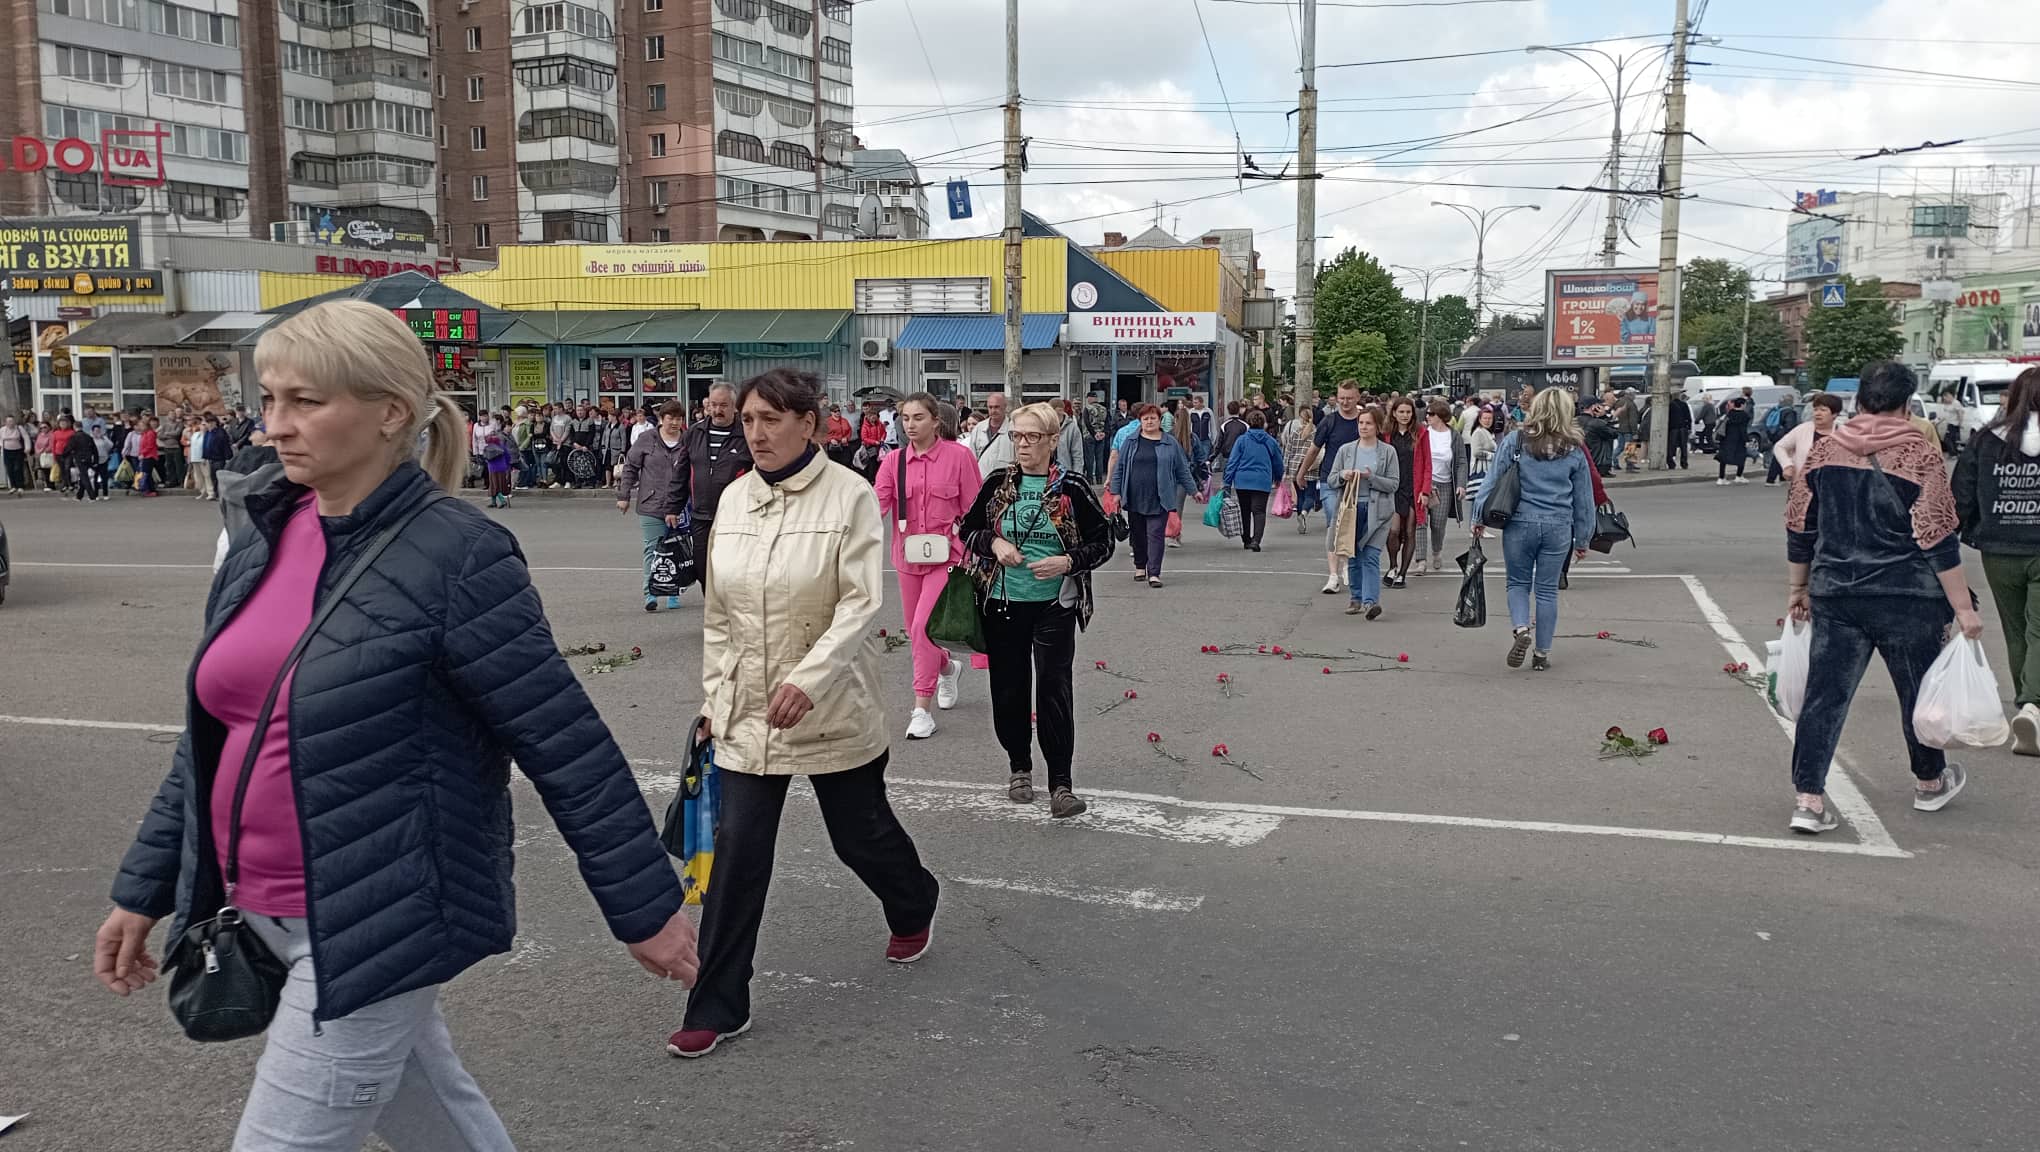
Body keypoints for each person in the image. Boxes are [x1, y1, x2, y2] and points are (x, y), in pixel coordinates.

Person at [95, 299, 700, 1147]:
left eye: (305, 402)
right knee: (440, 1124)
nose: (276, 426)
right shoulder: (261, 530)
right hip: (256, 903)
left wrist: (644, 904)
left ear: (387, 413)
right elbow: (220, 732)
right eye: (270, 400)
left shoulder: (457, 554)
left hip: (381, 910)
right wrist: (144, 888)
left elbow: (563, 740)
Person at [678, 367, 939, 1059]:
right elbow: (720, 616)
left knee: (860, 837)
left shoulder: (848, 496)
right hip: (748, 709)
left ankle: (914, 901)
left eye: (769, 419)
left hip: (828, 704)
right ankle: (717, 1001)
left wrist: (809, 679)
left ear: (808, 424)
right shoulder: (734, 501)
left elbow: (859, 603)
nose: (755, 432)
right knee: (737, 855)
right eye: (749, 420)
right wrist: (714, 699)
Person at [1786, 361, 1980, 833]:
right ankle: (1930, 781)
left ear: (1859, 401)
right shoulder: (1919, 455)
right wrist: (1963, 608)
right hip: (1907, 597)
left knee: (1824, 699)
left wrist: (1798, 588)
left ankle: (1808, 801)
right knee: (1918, 693)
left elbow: (1799, 525)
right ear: (1906, 404)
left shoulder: (1825, 451)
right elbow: (1938, 537)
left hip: (1837, 593)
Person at [961, 401, 1114, 817]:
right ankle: (1019, 768)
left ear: (1052, 440)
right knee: (1009, 689)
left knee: (1054, 690)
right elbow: (967, 529)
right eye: (1017, 436)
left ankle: (1061, 785)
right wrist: (994, 544)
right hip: (1003, 602)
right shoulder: (998, 483)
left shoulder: (1072, 488)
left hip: (1054, 605)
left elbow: (1104, 542)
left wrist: (1068, 562)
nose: (1023, 445)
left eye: (1032, 437)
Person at [873, 392, 980, 740]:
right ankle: (948, 667)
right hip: (907, 558)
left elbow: (974, 510)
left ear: (936, 420)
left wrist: (970, 548)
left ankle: (921, 709)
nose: (910, 425)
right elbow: (877, 504)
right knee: (920, 631)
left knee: (921, 628)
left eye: (918, 417)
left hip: (947, 558)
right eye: (905, 418)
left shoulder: (959, 457)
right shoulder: (893, 462)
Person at [1472, 387, 1596, 672]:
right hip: (1558, 526)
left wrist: (1478, 517)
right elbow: (1583, 500)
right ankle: (1541, 653)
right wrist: (1583, 538)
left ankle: (1520, 629)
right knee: (1547, 591)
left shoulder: (1516, 441)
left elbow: (1492, 481)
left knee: (1517, 583)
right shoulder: (1574, 449)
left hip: (1519, 522)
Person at [1954, 366, 2040, 756]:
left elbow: (1964, 490)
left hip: (1999, 547)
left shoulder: (1987, 439)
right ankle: (2034, 705)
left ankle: (2028, 701)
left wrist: (1973, 530)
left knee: (2015, 627)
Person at [674, 383, 752, 594]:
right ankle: (715, 609)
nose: (718, 410)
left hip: (736, 518)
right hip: (701, 516)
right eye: (714, 405)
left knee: (733, 568)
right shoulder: (694, 433)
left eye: (724, 405)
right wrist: (672, 508)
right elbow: (681, 473)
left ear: (734, 406)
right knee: (702, 567)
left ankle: (729, 612)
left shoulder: (747, 435)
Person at [1107, 403, 1195, 588]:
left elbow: (1182, 469)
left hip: (1160, 496)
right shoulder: (1131, 441)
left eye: (1152, 418)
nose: (1149, 422)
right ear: (1140, 421)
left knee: (1155, 534)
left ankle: (1154, 573)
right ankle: (1140, 566)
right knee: (1138, 534)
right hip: (1135, 495)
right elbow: (1120, 468)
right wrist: (1115, 492)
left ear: (1159, 420)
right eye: (1145, 419)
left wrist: (1194, 490)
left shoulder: (1170, 443)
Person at [1325, 405, 1398, 619]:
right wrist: (1343, 475)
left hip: (1379, 512)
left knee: (1371, 556)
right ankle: (1356, 598)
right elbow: (1331, 479)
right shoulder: (1346, 450)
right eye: (1361, 423)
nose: (1363, 427)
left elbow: (1393, 484)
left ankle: (1370, 602)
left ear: (1377, 426)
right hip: (1351, 508)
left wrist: (1370, 477)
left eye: (1368, 423)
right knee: (1353, 554)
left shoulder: (1387, 452)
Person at [618, 400, 690, 611]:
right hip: (651, 503)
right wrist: (624, 495)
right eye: (671, 418)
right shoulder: (646, 439)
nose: (675, 422)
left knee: (678, 549)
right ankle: (650, 592)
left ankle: (674, 592)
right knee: (654, 548)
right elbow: (630, 466)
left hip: (680, 505)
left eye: (679, 418)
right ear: (661, 419)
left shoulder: (688, 439)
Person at [1303, 382, 1365, 594]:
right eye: (1342, 398)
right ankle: (1333, 575)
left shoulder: (1363, 422)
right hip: (1331, 481)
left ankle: (1348, 565)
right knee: (1334, 524)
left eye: (1349, 398)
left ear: (1357, 398)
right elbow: (1314, 450)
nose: (1345, 402)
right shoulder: (1329, 422)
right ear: (1336, 398)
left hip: (1358, 483)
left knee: (1352, 526)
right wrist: (1301, 473)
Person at [1413, 400, 1468, 574]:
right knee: (1420, 522)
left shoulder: (1454, 435)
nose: (1427, 416)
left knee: (1438, 524)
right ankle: (1421, 560)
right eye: (1427, 414)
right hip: (1425, 483)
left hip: (1444, 485)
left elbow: (1461, 461)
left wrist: (1461, 484)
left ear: (1441, 417)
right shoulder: (1423, 432)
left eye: (1431, 414)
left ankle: (1437, 551)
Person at [1222, 409, 1285, 552]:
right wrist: (1278, 477)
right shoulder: (1270, 441)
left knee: (1245, 510)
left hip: (1242, 480)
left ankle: (1246, 539)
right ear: (1264, 424)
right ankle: (1256, 540)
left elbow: (1233, 462)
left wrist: (1227, 481)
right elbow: (1278, 462)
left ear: (1248, 423)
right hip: (1262, 480)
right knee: (1259, 511)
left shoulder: (1242, 440)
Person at [1381, 397, 1421, 586]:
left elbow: (1427, 462)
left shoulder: (1421, 433)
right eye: (1401, 412)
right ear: (1394, 413)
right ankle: (1393, 566)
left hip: (1414, 487)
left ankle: (1403, 573)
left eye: (1408, 412)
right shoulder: (1387, 433)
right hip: (1394, 487)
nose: (1405, 415)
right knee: (1394, 530)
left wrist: (1426, 490)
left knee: (1410, 530)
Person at [1771, 393, 1840, 483]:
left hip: (1833, 486)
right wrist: (1787, 465)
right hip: (1803, 485)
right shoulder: (1802, 429)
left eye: (1823, 410)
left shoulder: (1843, 433)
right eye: (1815, 410)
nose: (1818, 413)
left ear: (1834, 414)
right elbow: (1779, 446)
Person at [1281, 402, 1319, 533]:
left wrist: (1285, 470)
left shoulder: (1295, 432)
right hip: (1311, 467)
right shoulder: (1316, 432)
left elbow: (1288, 451)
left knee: (1300, 495)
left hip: (1295, 466)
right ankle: (1304, 513)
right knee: (1310, 495)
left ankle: (1300, 519)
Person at [966, 392, 1012, 475]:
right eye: (990, 407)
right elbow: (972, 459)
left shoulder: (1013, 429)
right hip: (982, 482)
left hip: (1004, 482)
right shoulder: (979, 428)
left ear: (1005, 407)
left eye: (997, 407)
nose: (993, 410)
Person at [1763, 398, 1803, 484]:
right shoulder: (1790, 412)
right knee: (1779, 457)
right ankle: (1771, 480)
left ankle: (1782, 478)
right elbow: (1790, 426)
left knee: (1781, 455)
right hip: (1784, 436)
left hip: (1774, 435)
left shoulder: (1776, 410)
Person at [1716, 397, 1753, 484]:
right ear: (1742, 405)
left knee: (1724, 458)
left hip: (1726, 438)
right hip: (1738, 440)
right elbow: (1743, 430)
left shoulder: (1729, 414)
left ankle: (1721, 478)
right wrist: (1747, 440)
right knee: (1741, 457)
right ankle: (1738, 476)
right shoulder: (1744, 416)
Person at [481, 415, 513, 508]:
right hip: (502, 468)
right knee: (499, 484)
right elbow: (507, 456)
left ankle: (501, 501)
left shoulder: (487, 448)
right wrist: (508, 465)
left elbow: (485, 458)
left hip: (492, 468)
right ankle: (494, 502)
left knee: (493, 485)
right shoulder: (501, 446)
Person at [1078, 392, 1110, 481]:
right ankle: (1099, 478)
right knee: (1099, 458)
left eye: (1088, 398)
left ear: (1090, 398)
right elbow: (1108, 423)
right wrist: (1103, 433)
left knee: (1089, 458)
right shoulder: (1104, 409)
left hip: (1089, 436)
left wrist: (1094, 434)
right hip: (1101, 436)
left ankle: (1090, 478)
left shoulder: (1087, 408)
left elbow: (1086, 423)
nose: (1087, 400)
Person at [2, 413, 29, 490]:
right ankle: (13, 486)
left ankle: (20, 485)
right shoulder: (2, 430)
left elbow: (26, 437)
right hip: (6, 451)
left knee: (17, 468)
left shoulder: (19, 428)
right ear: (6, 422)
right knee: (9, 469)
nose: (10, 423)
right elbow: (0, 440)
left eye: (12, 421)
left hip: (17, 451)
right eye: (9, 421)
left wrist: (27, 447)